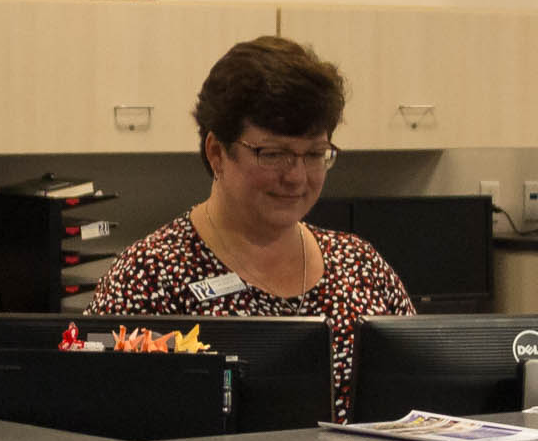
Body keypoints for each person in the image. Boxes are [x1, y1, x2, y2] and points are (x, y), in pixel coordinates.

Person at [91, 36, 413, 420]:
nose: (296, 177)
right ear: (217, 153)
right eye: (272, 154)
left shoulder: (360, 266)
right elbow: (105, 430)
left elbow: (424, 400)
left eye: (313, 154)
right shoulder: (149, 276)